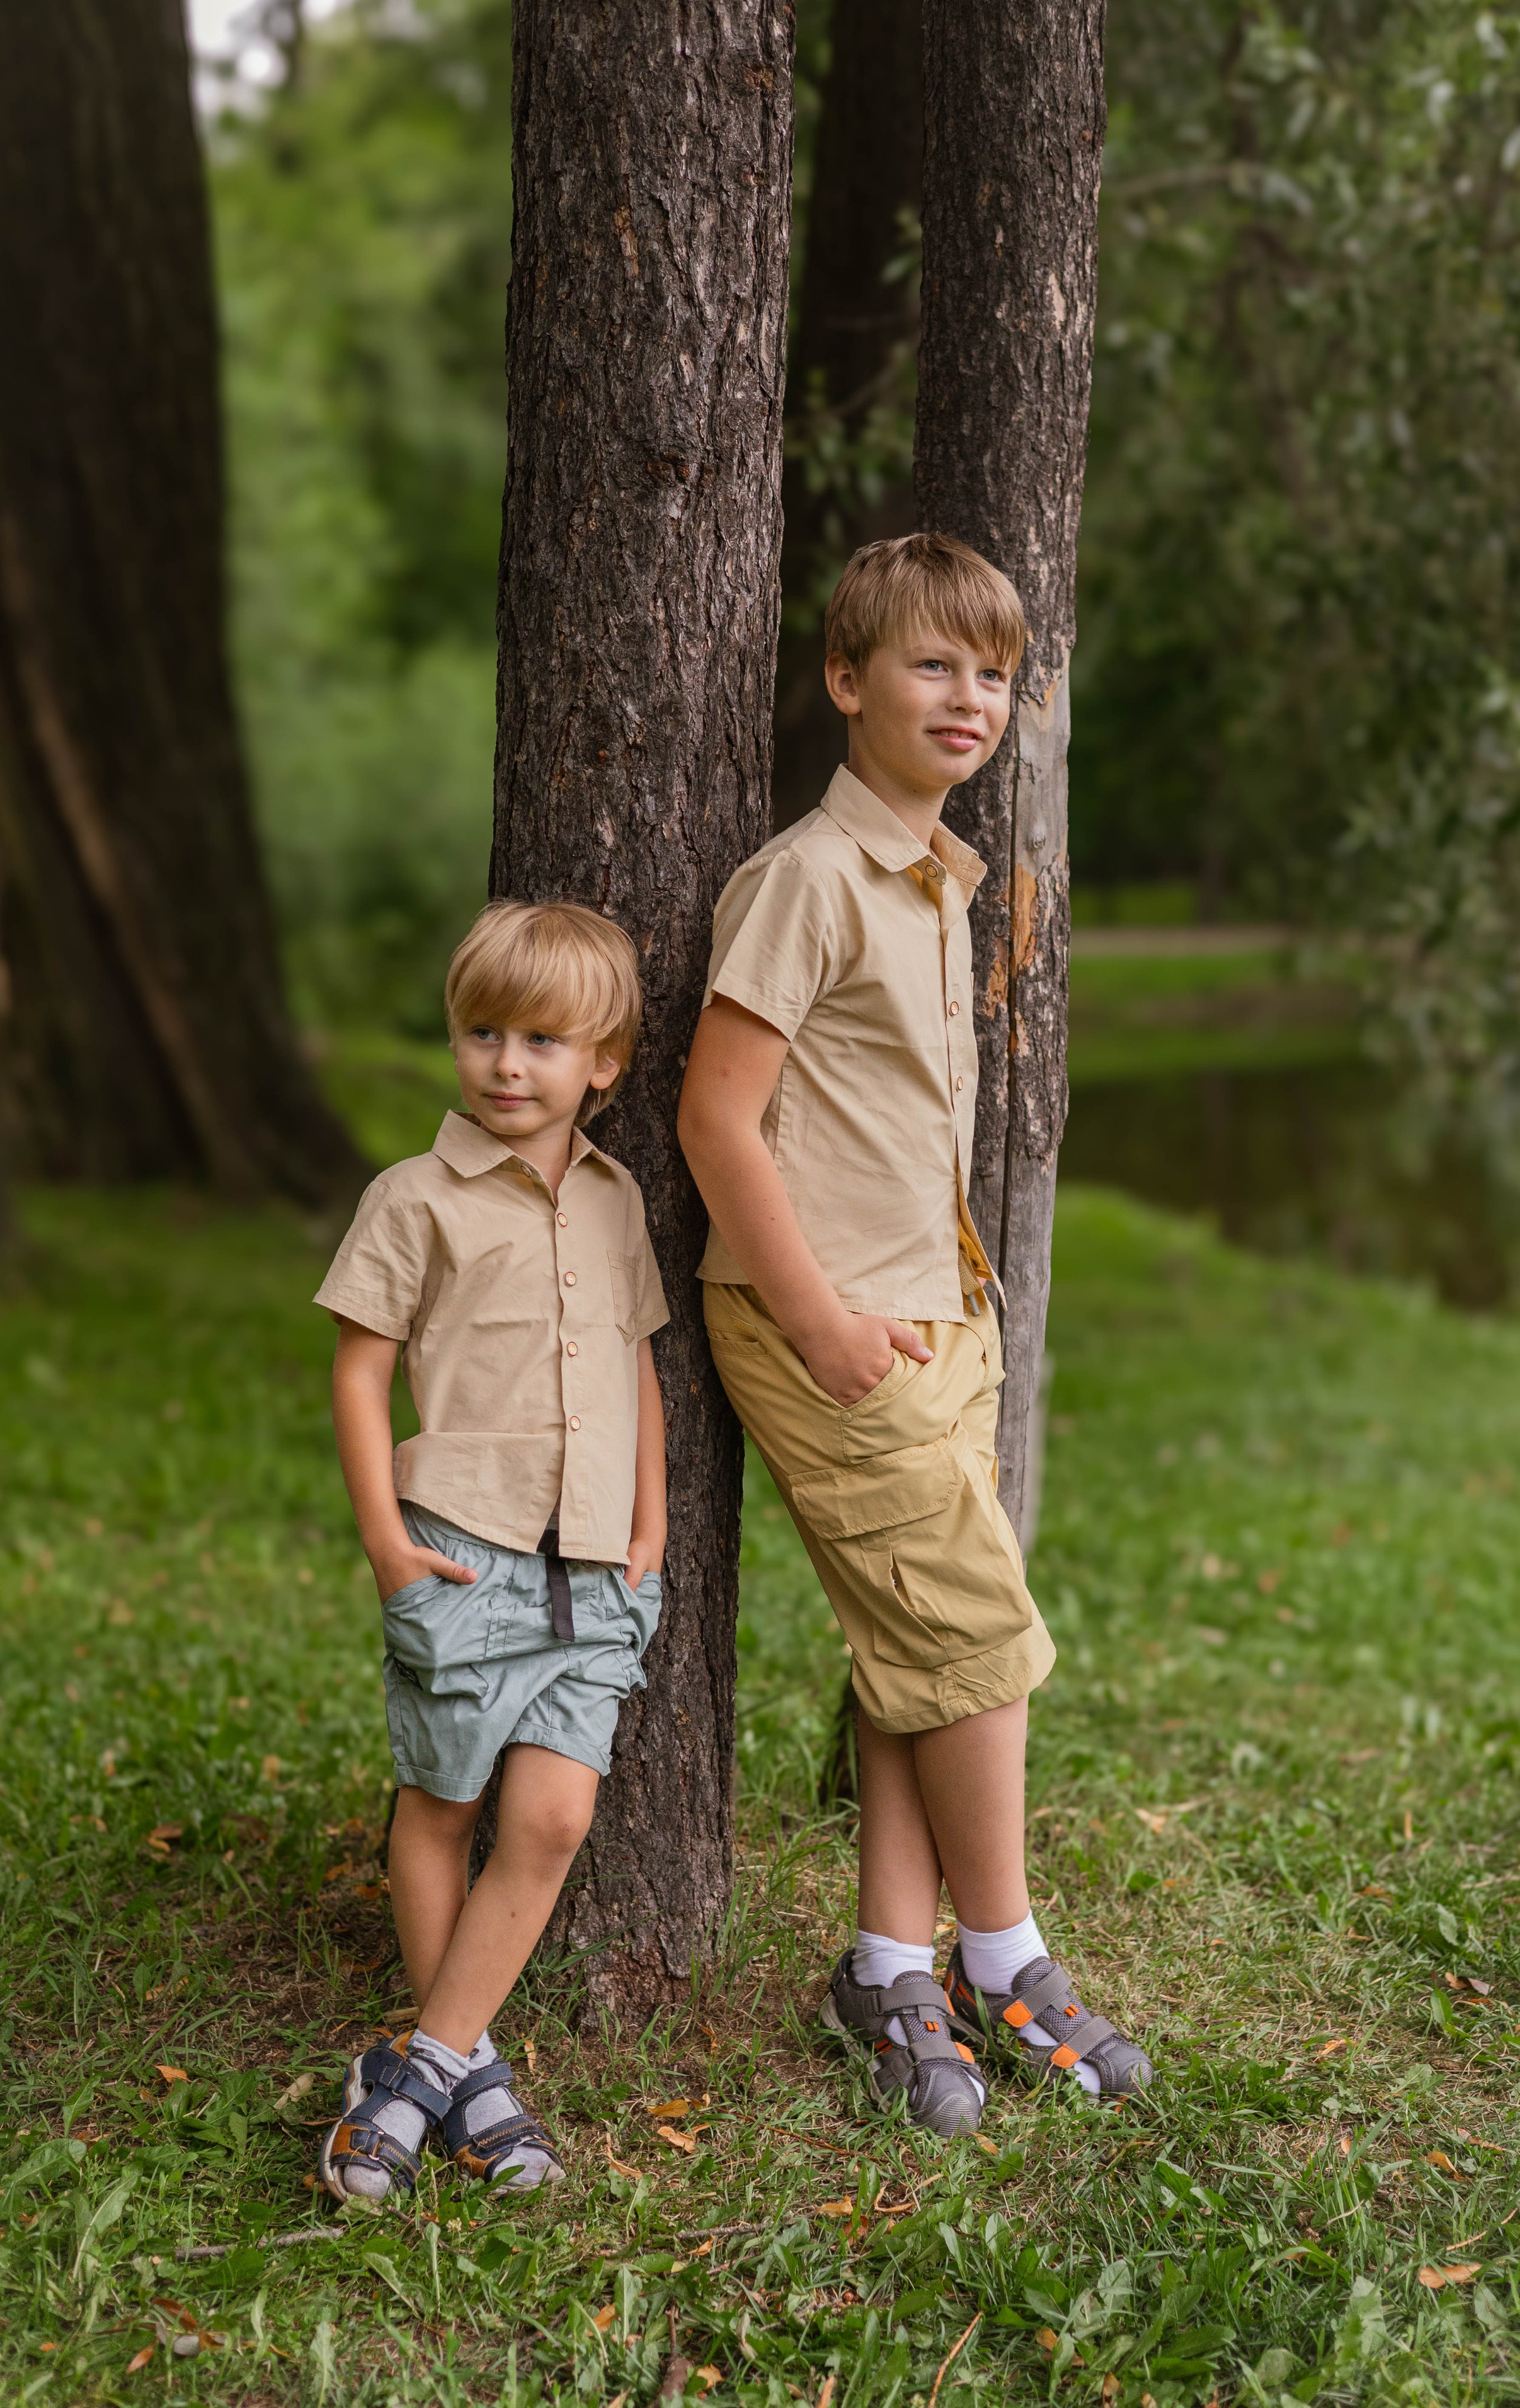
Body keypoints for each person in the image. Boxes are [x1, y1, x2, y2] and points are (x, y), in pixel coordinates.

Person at [678, 532, 1152, 2130]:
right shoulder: (804, 879)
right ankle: (1006, 1955)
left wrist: (941, 1307)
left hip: (939, 1311)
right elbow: (715, 1120)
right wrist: (816, 1323)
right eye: (931, 664)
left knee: (916, 1650)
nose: (968, 697)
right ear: (845, 680)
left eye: (994, 674)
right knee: (975, 1633)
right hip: (826, 1323)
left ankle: (890, 1962)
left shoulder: (939, 877)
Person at [313, 900, 668, 2197]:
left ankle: (410, 2075)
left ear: (603, 1064)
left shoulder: (618, 1198)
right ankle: (469, 2080)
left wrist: (651, 1520)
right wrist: (385, 1545)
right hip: (461, 1545)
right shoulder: (413, 1198)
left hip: (593, 1565)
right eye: (480, 1033)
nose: (506, 1064)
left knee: (554, 1813)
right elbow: (359, 1375)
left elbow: (635, 1359)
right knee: (444, 1805)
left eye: (540, 1039)